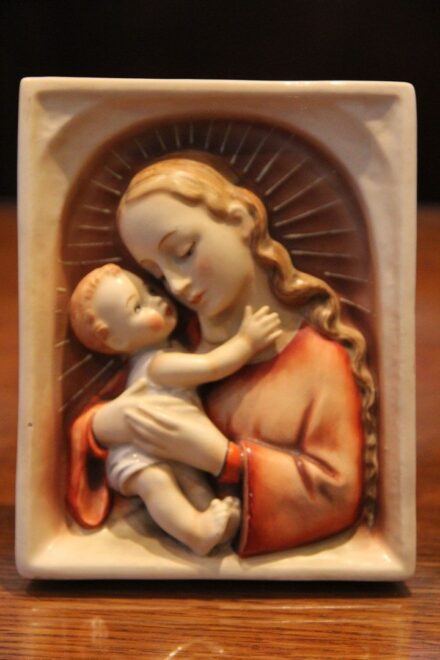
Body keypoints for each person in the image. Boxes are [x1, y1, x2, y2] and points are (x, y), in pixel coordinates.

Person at [72, 157, 377, 558]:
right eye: (158, 275)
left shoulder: (319, 362)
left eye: (183, 251)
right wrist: (109, 422)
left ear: (241, 221)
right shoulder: (179, 343)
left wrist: (223, 458)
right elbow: (102, 417)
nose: (176, 286)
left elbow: (336, 495)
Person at [68, 262, 281, 554]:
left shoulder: (169, 352)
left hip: (170, 445)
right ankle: (195, 533)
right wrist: (246, 341)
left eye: (150, 290)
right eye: (138, 307)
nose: (157, 300)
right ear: (115, 339)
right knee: (158, 485)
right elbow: (211, 366)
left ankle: (213, 523)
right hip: (140, 453)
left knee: (193, 485)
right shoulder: (158, 365)